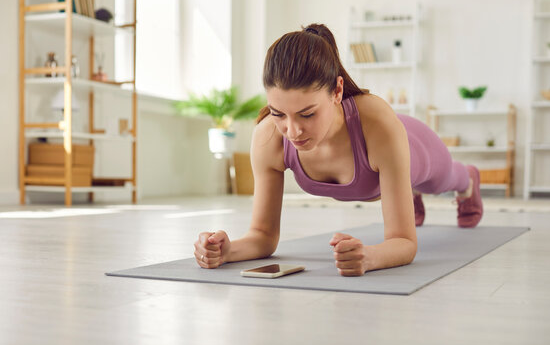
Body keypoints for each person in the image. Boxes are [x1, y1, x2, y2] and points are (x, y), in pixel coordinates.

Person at [193, 23, 483, 277]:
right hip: (387, 157)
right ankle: (408, 197)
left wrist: (369, 258)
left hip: (413, 145)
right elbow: (263, 236)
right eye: (278, 113)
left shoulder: (379, 123)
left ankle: (467, 180)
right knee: (405, 191)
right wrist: (228, 250)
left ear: (337, 91)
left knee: (444, 181)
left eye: (307, 114)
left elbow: (404, 242)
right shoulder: (268, 137)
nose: (292, 131)